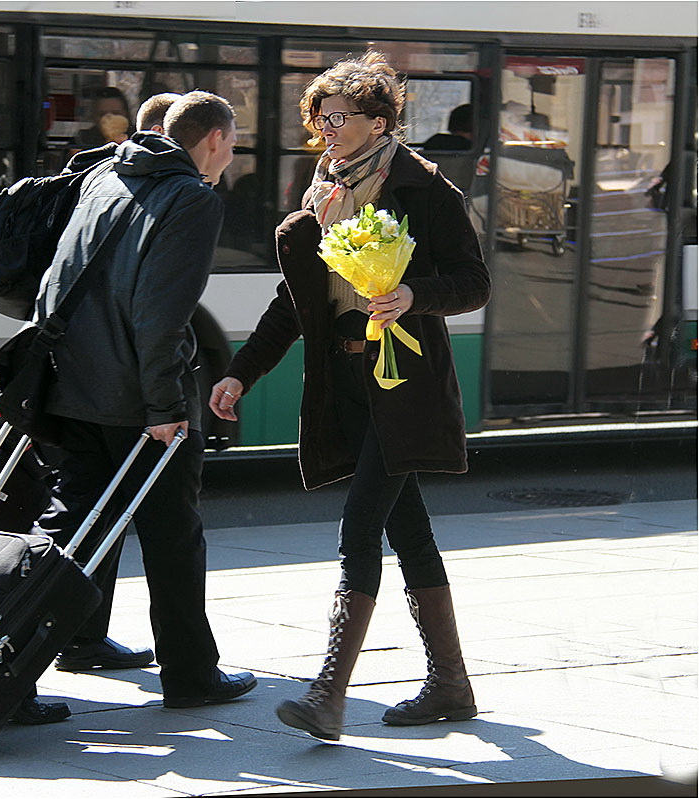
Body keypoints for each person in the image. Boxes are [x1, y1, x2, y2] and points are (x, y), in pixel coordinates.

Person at [209, 51, 490, 740]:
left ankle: (328, 693)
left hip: (404, 382)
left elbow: (474, 281)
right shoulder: (321, 191)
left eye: (339, 118)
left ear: (379, 120)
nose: (326, 129)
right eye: (320, 117)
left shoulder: (425, 189)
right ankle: (451, 684)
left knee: (360, 527)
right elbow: (294, 301)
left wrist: (413, 295)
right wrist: (241, 371)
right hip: (347, 381)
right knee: (408, 529)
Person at [33, 90, 257, 709]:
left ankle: (75, 637)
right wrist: (164, 409)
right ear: (212, 139)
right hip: (137, 399)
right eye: (233, 143)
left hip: (72, 383)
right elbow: (162, 315)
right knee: (173, 533)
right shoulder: (191, 198)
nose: (231, 156)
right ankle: (191, 676)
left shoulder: (107, 175)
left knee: (80, 521)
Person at [67, 86, 133, 155]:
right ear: (94, 116)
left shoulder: (136, 139)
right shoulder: (82, 141)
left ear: (126, 113)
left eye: (115, 113)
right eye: (102, 114)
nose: (109, 119)